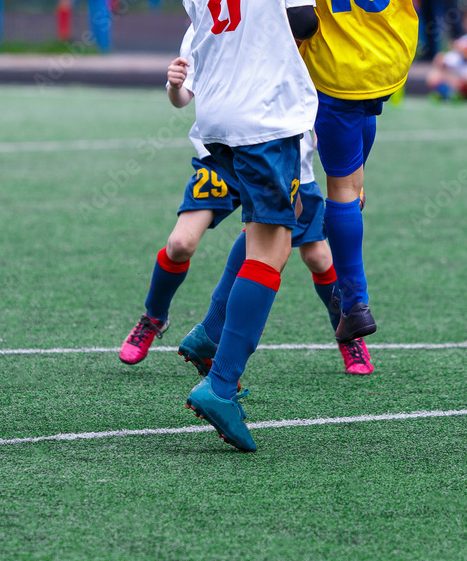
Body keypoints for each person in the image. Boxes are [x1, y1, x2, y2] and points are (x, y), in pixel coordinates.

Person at [281, 0, 467, 347]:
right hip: (387, 66)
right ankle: (346, 209)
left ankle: (355, 299)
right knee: (355, 180)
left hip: (333, 71)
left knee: (342, 188)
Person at [162, 0, 320, 451]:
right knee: (272, 248)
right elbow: (302, 21)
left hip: (218, 114)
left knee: (271, 221)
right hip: (267, 114)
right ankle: (221, 385)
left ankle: (204, 336)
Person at [119, 27, 372, 377]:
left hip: (282, 160)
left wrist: (348, 183)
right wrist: (176, 86)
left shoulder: (293, 21)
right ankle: (154, 318)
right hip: (221, 155)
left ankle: (349, 335)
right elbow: (183, 96)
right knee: (180, 243)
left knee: (316, 256)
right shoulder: (208, 16)